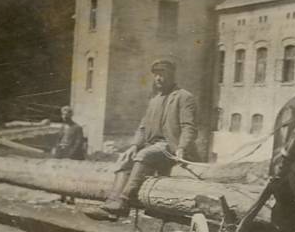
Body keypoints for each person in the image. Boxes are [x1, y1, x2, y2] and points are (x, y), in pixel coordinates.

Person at [85, 60, 197, 221]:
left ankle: (123, 202)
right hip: (152, 146)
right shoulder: (154, 99)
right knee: (126, 159)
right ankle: (111, 204)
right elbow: (143, 127)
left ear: (171, 74)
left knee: (144, 155)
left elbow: (189, 127)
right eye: (156, 74)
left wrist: (182, 147)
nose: (158, 78)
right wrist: (134, 146)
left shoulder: (184, 97)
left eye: (162, 74)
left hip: (170, 147)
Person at [51, 106, 85, 205]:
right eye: (63, 114)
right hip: (61, 153)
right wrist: (56, 151)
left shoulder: (77, 128)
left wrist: (70, 155)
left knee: (72, 177)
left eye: (67, 114)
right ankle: (62, 196)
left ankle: (72, 198)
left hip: (72, 155)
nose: (65, 116)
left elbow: (79, 142)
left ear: (71, 115)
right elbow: (59, 140)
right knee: (61, 175)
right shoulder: (62, 127)